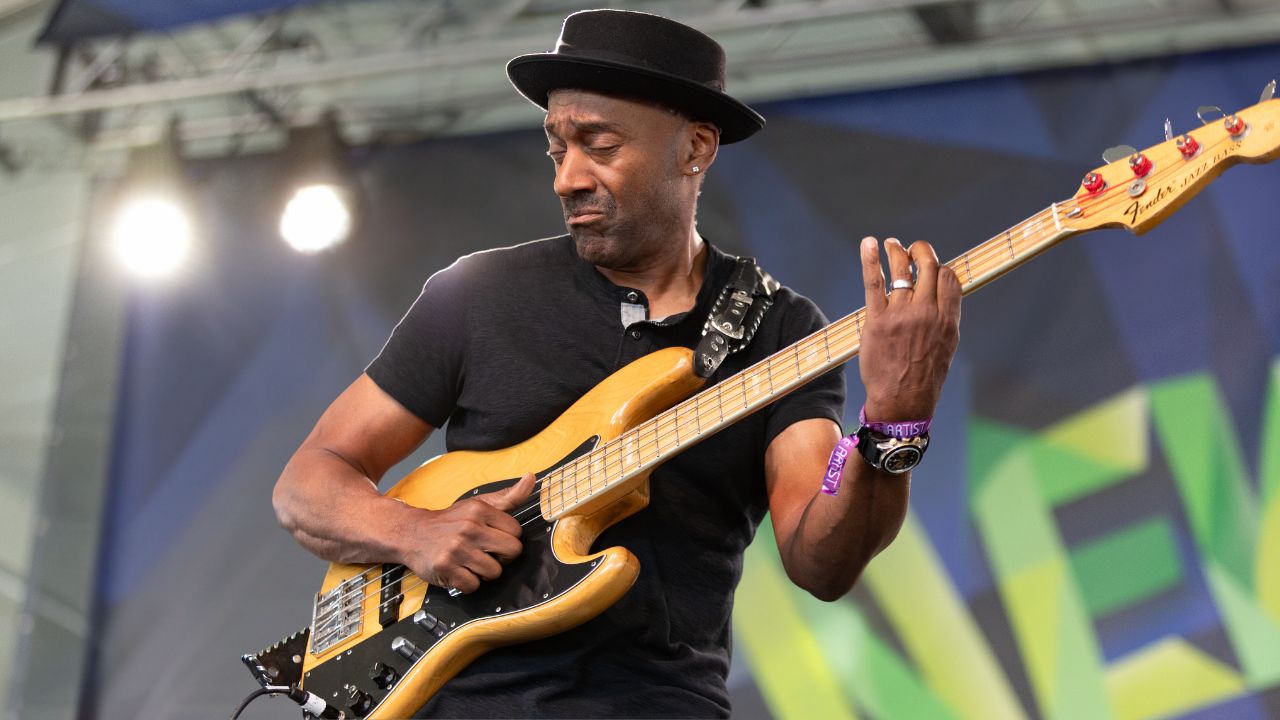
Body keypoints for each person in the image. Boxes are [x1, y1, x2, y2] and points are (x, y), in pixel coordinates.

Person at [272, 8, 961, 718]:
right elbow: (307, 483)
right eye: (557, 148)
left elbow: (822, 562)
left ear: (695, 148)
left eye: (597, 144)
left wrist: (896, 416)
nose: (567, 178)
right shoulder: (475, 296)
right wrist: (413, 531)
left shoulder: (780, 329)